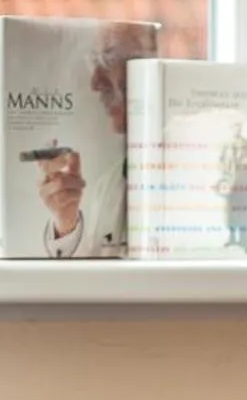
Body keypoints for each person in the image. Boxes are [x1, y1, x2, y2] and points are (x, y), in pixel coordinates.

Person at [35, 22, 159, 258]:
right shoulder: (107, 187)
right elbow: (89, 277)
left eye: (109, 59)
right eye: (95, 61)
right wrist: (66, 220)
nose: (95, 82)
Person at [216, 121, 247, 253]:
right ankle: (232, 238)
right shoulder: (226, 144)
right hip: (230, 183)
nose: (237, 129)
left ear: (241, 128)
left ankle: (245, 241)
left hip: (244, 181)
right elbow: (220, 161)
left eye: (239, 127)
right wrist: (225, 174)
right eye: (234, 126)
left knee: (244, 212)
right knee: (231, 212)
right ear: (231, 128)